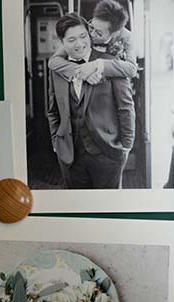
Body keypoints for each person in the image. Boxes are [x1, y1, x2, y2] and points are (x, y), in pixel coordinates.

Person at [47, 14, 135, 189]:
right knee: (77, 209)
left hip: (108, 152)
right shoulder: (57, 69)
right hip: (70, 155)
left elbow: (125, 107)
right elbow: (53, 110)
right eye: (71, 40)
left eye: (82, 37)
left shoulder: (111, 62)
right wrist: (56, 141)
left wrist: (126, 146)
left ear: (89, 35)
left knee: (108, 210)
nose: (79, 44)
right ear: (62, 43)